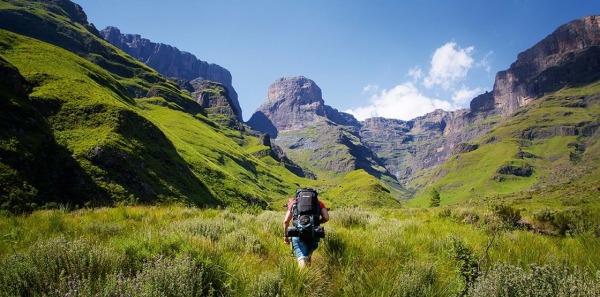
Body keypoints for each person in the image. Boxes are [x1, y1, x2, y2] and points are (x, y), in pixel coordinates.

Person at [283, 190, 329, 268]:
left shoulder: (294, 203)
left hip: (298, 233)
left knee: (301, 257)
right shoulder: (318, 203)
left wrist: (286, 236)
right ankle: (309, 274)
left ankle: (304, 279)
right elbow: (326, 218)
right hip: (314, 232)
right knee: (307, 255)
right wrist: (318, 222)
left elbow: (285, 221)